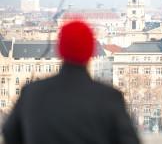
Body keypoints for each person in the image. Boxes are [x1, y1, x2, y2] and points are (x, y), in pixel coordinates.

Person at [2, 20, 140, 144]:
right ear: (91, 51)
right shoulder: (109, 97)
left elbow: (9, 134)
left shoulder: (32, 92)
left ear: (60, 50)